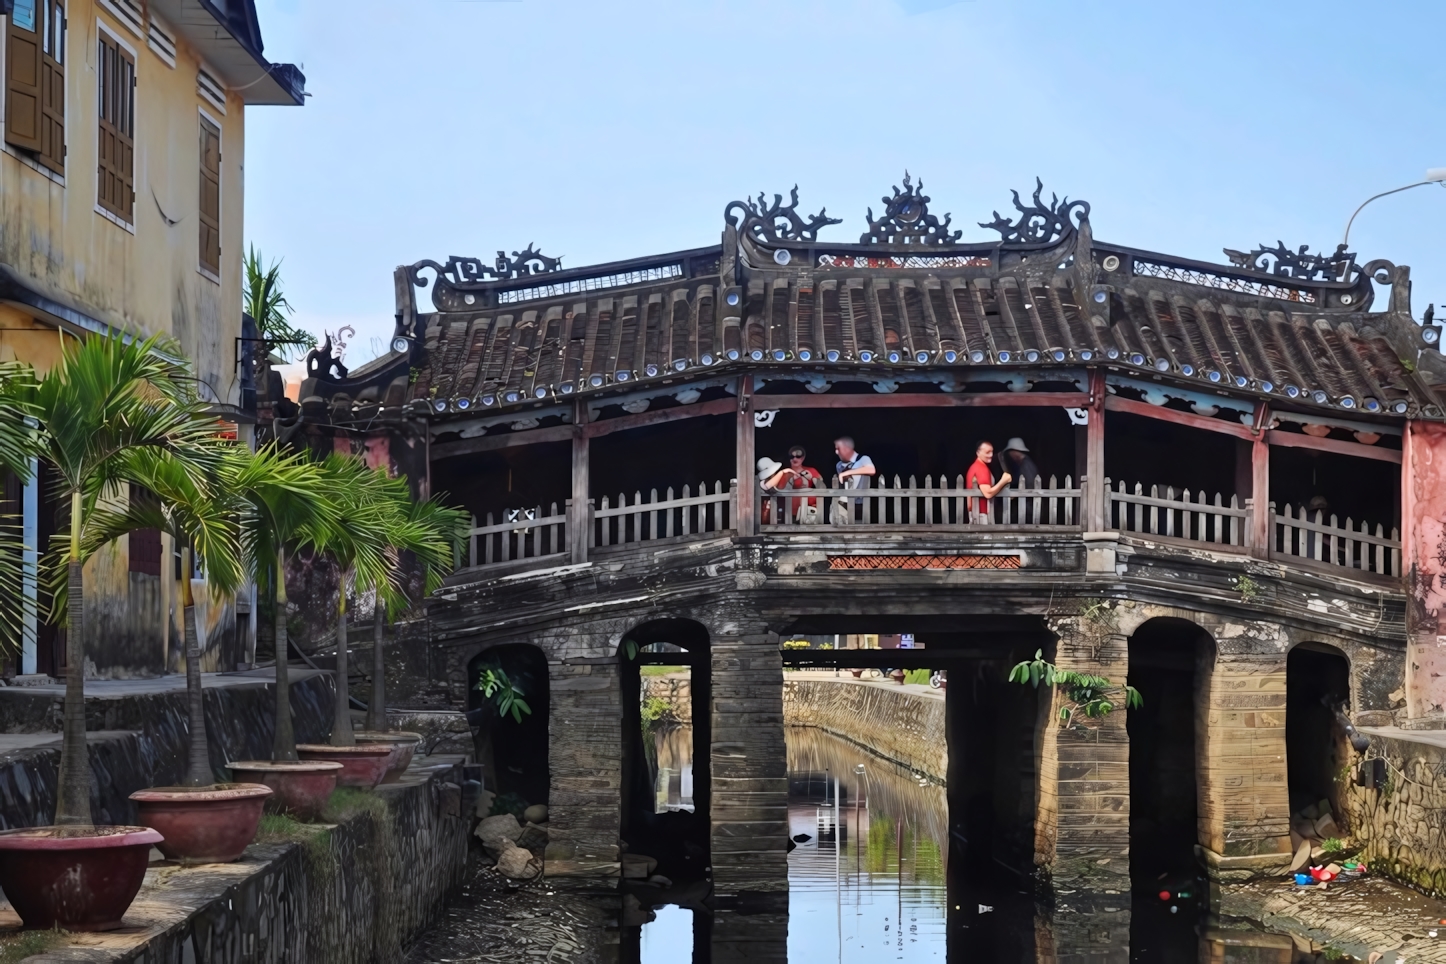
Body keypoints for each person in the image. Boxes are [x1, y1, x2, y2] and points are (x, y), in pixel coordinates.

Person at [965, 440, 1012, 524]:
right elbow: (988, 493)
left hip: (976, 512)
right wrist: (1004, 480)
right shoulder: (981, 469)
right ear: (978, 453)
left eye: (992, 452)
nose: (990, 455)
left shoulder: (975, 466)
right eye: (987, 452)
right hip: (981, 514)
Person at [832, 437, 876, 525]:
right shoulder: (839, 465)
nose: (836, 452)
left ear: (847, 448)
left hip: (860, 501)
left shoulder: (863, 459)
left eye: (838, 449)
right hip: (844, 501)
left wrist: (846, 473)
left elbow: (871, 470)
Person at [781, 446, 824, 522]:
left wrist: (813, 479)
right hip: (790, 512)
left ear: (803, 458)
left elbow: (823, 488)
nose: (795, 459)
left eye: (798, 456)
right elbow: (780, 491)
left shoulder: (811, 470)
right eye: (792, 456)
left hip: (810, 510)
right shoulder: (785, 473)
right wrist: (791, 481)